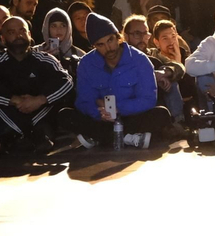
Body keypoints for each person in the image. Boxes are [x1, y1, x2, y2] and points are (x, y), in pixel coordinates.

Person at [0, 16, 74, 158]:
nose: (18, 35)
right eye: (11, 32)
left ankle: (19, 139)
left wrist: (40, 100)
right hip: (8, 115)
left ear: (29, 35)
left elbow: (67, 82)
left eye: (22, 31)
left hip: (40, 114)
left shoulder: (45, 59)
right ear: (3, 39)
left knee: (51, 108)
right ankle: (32, 138)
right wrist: (13, 100)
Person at [60, 13, 170, 149]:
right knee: (65, 115)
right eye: (101, 45)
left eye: (110, 40)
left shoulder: (139, 60)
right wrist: (99, 113)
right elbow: (84, 100)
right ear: (94, 46)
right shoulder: (86, 63)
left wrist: (118, 109)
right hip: (101, 119)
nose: (108, 48)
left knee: (161, 114)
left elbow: (148, 99)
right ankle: (127, 138)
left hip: (130, 116)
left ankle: (100, 138)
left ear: (119, 37)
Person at [38, 6, 85, 77]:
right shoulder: (36, 52)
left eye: (63, 25)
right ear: (47, 28)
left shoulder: (80, 55)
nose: (59, 29)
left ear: (68, 28)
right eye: (54, 26)